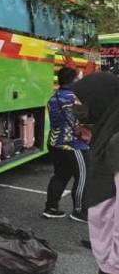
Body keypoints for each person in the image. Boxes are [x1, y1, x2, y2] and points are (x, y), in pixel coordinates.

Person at [72, 72, 119, 274]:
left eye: (85, 103)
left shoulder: (117, 143)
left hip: (116, 268)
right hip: (112, 263)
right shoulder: (109, 133)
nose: (81, 109)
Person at [43, 67, 89, 222]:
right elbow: (84, 120)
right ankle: (80, 211)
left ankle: (51, 208)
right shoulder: (74, 98)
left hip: (55, 143)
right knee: (83, 176)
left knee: (60, 175)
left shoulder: (54, 97)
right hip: (74, 145)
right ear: (73, 80)